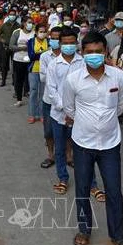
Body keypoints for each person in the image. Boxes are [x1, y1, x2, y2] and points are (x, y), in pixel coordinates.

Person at [62, 32, 123, 245]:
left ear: (105, 52)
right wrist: (88, 123)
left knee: (114, 190)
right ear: (82, 53)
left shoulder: (118, 77)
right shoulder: (73, 79)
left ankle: (118, 235)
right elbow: (69, 109)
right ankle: (84, 229)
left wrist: (104, 123)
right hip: (83, 142)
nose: (94, 56)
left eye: (98, 51)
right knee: (83, 189)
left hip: (110, 144)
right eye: (89, 52)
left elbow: (121, 105)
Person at [46, 27, 83, 194]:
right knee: (60, 148)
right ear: (60, 44)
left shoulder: (83, 62)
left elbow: (85, 88)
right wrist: (66, 109)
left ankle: (90, 182)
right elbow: (51, 90)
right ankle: (63, 178)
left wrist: (74, 111)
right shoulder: (54, 64)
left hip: (80, 114)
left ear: (76, 43)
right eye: (65, 43)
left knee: (82, 149)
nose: (68, 46)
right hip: (58, 114)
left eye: (72, 43)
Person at [39, 26, 62, 169]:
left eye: (57, 39)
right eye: (52, 38)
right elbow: (43, 78)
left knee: (68, 130)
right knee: (48, 130)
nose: (55, 41)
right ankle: (50, 155)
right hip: (49, 99)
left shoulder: (74, 58)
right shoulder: (45, 56)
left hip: (67, 100)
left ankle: (68, 156)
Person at [10, 18, 34, 108]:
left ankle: (28, 94)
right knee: (19, 80)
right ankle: (19, 99)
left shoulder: (34, 33)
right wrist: (22, 48)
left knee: (30, 80)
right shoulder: (17, 32)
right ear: (24, 23)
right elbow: (11, 46)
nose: (30, 24)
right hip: (18, 59)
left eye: (32, 23)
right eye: (29, 22)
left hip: (30, 60)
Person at [26, 23, 48, 123]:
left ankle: (42, 114)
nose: (42, 33)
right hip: (33, 70)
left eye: (44, 32)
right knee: (33, 92)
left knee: (43, 93)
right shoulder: (31, 41)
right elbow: (31, 56)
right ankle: (32, 114)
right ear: (36, 32)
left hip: (45, 71)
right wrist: (44, 53)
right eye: (41, 32)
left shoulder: (49, 42)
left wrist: (38, 54)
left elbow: (50, 56)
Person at [0, 10, 20, 87]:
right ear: (8, 16)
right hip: (5, 47)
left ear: (16, 16)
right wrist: (1, 40)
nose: (12, 16)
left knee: (15, 66)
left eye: (13, 15)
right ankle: (3, 80)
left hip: (14, 48)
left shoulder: (18, 26)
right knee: (4, 65)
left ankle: (14, 81)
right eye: (11, 14)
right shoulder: (4, 25)